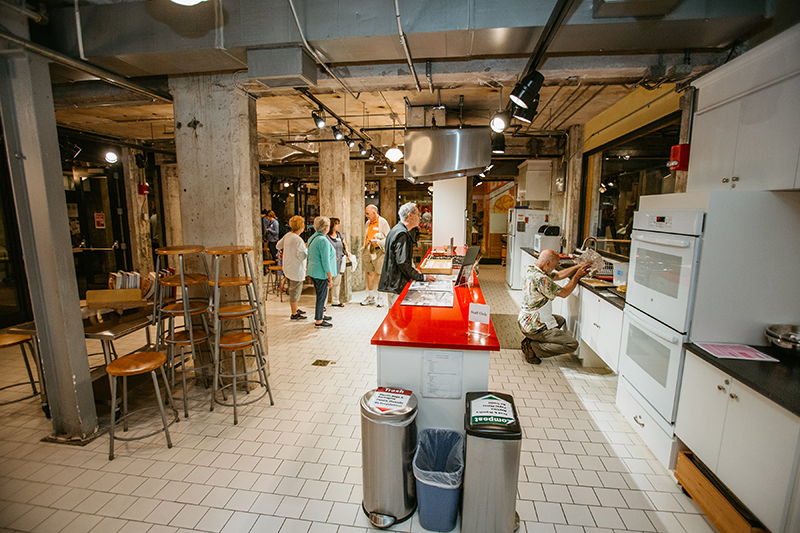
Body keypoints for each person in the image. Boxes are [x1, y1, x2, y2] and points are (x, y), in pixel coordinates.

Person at [518, 249, 590, 364]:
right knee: (572, 344)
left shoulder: (532, 271)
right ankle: (534, 348)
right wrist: (576, 277)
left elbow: (558, 275)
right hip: (535, 325)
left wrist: (578, 266)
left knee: (560, 320)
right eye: (555, 265)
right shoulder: (541, 279)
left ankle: (529, 341)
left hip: (525, 319)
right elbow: (564, 293)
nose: (555, 267)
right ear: (547, 264)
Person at [378, 202, 435, 307]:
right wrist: (421, 277)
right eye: (418, 215)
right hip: (397, 284)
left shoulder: (395, 230)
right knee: (398, 318)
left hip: (393, 282)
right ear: (410, 215)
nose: (419, 218)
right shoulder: (402, 234)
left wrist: (413, 270)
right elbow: (402, 262)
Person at [306, 216, 337, 328]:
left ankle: (321, 315)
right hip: (321, 273)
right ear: (326, 227)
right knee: (321, 296)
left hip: (313, 271)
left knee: (320, 295)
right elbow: (325, 261)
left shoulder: (313, 237)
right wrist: (330, 277)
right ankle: (319, 320)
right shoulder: (323, 240)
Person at [276, 215, 308, 320]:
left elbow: (278, 246)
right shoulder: (298, 240)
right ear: (301, 227)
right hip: (296, 269)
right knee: (295, 291)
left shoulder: (288, 235)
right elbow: (302, 256)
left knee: (292, 289)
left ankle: (295, 308)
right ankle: (294, 314)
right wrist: (306, 250)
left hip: (288, 267)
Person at [361, 204, 391, 307]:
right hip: (368, 249)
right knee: (369, 273)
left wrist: (377, 241)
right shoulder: (368, 223)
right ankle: (371, 297)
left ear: (374, 213)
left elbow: (389, 238)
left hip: (379, 251)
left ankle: (380, 297)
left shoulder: (383, 222)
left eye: (368, 213)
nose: (366, 215)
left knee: (379, 274)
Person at [326, 217, 350, 307]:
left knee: (337, 282)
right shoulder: (326, 237)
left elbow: (345, 245)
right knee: (327, 283)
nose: (339, 225)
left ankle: (335, 300)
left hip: (339, 261)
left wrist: (347, 252)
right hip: (329, 262)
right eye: (337, 224)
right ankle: (323, 304)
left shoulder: (340, 235)